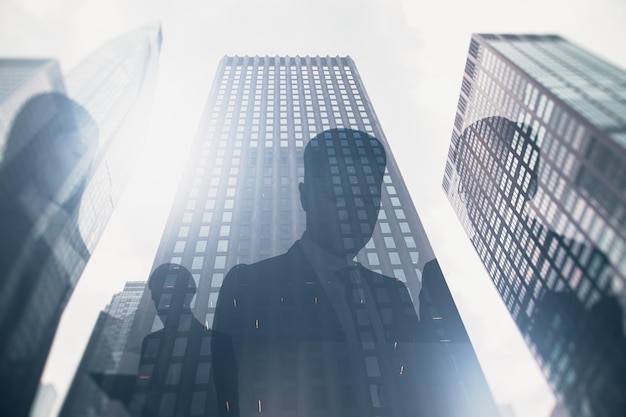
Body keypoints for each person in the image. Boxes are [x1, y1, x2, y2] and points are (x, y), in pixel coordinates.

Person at [212, 129, 426, 417]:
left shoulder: (394, 294)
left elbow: (422, 391)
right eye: (338, 195)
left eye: (366, 200)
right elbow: (228, 393)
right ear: (304, 197)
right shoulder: (249, 285)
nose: (353, 212)